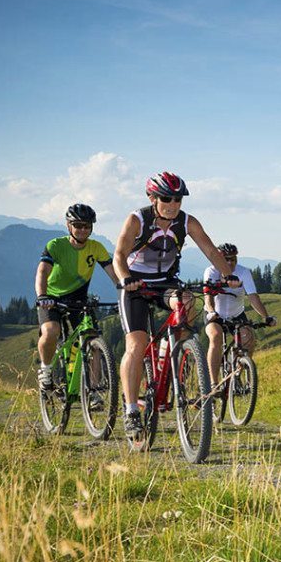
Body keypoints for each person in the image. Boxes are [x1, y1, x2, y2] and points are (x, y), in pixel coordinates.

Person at [112, 172, 238, 437]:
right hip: (136, 286)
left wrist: (227, 274)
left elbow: (211, 250)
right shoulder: (138, 219)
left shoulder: (187, 222)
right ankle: (132, 410)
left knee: (187, 300)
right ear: (152, 198)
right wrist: (126, 278)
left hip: (165, 283)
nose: (173, 204)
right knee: (135, 345)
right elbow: (120, 255)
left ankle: (178, 353)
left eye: (177, 199)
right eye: (166, 198)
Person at [34, 203, 120, 389]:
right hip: (51, 298)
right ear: (68, 225)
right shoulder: (56, 245)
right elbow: (42, 272)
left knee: (92, 340)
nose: (82, 229)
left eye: (87, 226)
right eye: (78, 225)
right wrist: (42, 296)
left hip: (78, 300)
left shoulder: (96, 248)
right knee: (50, 332)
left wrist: (125, 292)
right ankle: (46, 369)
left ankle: (95, 389)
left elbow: (114, 274)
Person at [203, 243, 277, 395]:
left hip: (236, 314)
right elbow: (208, 298)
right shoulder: (211, 271)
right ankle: (214, 383)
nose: (230, 263)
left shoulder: (243, 273)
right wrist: (211, 311)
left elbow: (253, 298)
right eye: (226, 259)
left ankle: (238, 372)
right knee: (215, 337)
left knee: (249, 339)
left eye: (233, 259)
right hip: (215, 314)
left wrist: (266, 317)